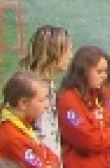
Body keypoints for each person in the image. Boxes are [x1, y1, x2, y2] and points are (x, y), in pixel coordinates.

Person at [56, 46, 110, 168]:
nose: (104, 76)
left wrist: (101, 131)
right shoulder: (68, 100)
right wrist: (104, 130)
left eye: (105, 71)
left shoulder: (97, 95)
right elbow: (87, 141)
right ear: (83, 72)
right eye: (99, 71)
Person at [20, 25, 72, 158]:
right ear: (53, 52)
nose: (71, 56)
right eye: (67, 51)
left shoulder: (49, 84)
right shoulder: (29, 87)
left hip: (50, 163)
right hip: (37, 167)